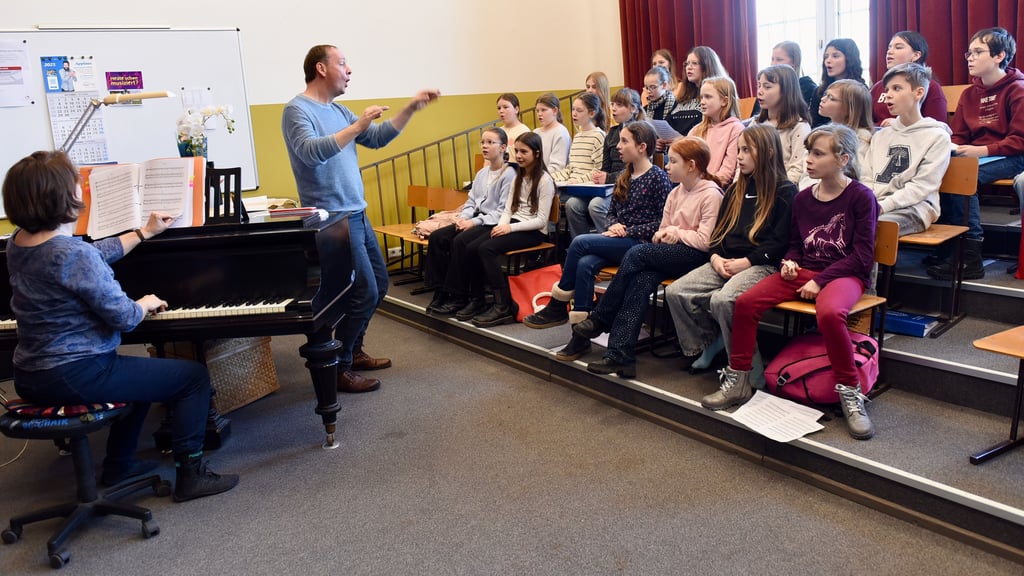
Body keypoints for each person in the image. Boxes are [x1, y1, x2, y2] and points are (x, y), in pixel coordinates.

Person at [3, 150, 238, 501]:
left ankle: (119, 465)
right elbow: (124, 317)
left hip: (31, 374)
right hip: (77, 373)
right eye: (75, 184)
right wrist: (143, 303)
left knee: (140, 378)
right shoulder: (73, 255)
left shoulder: (18, 243)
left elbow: (87, 256)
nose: (81, 190)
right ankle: (191, 474)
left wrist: (143, 232)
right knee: (192, 379)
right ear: (62, 196)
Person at [705, 124, 880, 440]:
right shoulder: (802, 199)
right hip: (805, 271)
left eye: (817, 153)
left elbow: (862, 257)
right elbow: (797, 245)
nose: (808, 160)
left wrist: (821, 280)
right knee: (744, 303)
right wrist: (790, 262)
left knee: (829, 313)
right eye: (808, 152)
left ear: (843, 159)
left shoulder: (860, 197)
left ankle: (850, 392)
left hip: (844, 275)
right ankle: (740, 380)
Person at [281, 44, 439, 392]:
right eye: (342, 63)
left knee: (379, 286)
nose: (349, 70)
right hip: (331, 219)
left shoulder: (339, 110)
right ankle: (339, 366)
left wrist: (410, 108)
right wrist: (358, 125)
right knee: (363, 291)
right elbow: (310, 153)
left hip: (357, 212)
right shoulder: (296, 111)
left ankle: (354, 349)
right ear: (321, 69)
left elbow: (378, 138)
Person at [568, 137, 724, 378]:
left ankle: (602, 316)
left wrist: (676, 233)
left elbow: (706, 242)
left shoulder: (712, 194)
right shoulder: (676, 193)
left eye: (673, 161)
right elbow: (661, 229)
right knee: (640, 281)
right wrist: (665, 233)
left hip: (695, 257)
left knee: (636, 253)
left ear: (691, 165)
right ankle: (621, 355)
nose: (667, 166)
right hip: (670, 254)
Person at [522, 122, 671, 346]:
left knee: (580, 243)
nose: (618, 146)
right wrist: (613, 225)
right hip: (620, 238)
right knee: (585, 264)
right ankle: (579, 337)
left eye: (624, 141)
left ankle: (557, 304)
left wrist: (627, 230)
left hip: (641, 244)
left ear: (641, 147)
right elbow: (612, 212)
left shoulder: (657, 177)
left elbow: (663, 221)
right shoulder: (624, 175)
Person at [665, 124, 796, 377]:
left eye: (747, 150)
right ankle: (710, 342)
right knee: (676, 292)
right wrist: (714, 258)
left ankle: (745, 364)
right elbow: (717, 234)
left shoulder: (785, 191)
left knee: (723, 300)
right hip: (725, 260)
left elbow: (779, 243)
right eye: (738, 150)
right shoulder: (736, 189)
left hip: (761, 265)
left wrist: (746, 262)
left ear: (768, 152)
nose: (739, 156)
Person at [928, 27, 1024, 281]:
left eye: (978, 52)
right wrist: (954, 147)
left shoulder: (1018, 90)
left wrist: (981, 150)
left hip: (1012, 155)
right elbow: (958, 135)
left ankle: (970, 256)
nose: (970, 58)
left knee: (963, 175)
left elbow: (1019, 140)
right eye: (969, 52)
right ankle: (951, 247)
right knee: (942, 168)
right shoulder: (970, 93)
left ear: (999, 56)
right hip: (977, 155)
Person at [424, 127, 515, 316]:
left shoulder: (509, 175)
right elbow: (471, 201)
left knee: (461, 241)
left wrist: (473, 223)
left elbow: (501, 211)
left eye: (491, 142)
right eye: (483, 142)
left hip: (490, 222)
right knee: (437, 237)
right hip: (473, 219)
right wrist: (464, 218)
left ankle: (460, 296)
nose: (485, 146)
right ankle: (441, 291)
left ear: (503, 147)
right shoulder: (482, 173)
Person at [468, 132, 555, 327]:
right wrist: (500, 226)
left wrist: (509, 228)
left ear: (537, 153)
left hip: (533, 232)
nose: (519, 156)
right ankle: (478, 298)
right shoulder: (518, 176)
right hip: (514, 224)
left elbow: (541, 221)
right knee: (474, 246)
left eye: (524, 152)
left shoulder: (544, 181)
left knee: (486, 249)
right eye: (517, 151)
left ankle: (503, 305)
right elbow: (508, 209)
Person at [864, 62, 951, 236]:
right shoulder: (880, 136)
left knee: (869, 226)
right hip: (876, 204)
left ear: (919, 92)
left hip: (915, 208)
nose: (888, 95)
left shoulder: (937, 137)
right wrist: (868, 203)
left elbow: (921, 187)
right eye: (887, 89)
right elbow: (866, 176)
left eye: (896, 89)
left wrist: (881, 206)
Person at [551, 92, 608, 238]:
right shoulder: (577, 136)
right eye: (573, 109)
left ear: (592, 113)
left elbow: (598, 169)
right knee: (571, 204)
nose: (574, 114)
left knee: (571, 203)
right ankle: (580, 241)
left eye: (579, 110)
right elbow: (571, 168)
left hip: (589, 188)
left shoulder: (599, 136)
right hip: (574, 188)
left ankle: (596, 240)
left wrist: (579, 181)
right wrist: (551, 177)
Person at [870, 31, 948, 126]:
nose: (889, 52)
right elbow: (866, 120)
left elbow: (937, 126)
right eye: (889, 47)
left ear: (916, 55)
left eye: (898, 47)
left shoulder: (930, 86)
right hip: (879, 137)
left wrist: (899, 124)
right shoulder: (878, 87)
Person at [753, 65, 812, 184]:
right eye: (759, 85)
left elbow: (797, 170)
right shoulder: (756, 123)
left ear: (786, 91)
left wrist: (770, 189)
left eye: (767, 86)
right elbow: (742, 163)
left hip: (780, 190)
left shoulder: (799, 127)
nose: (759, 91)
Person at [688, 76, 744, 184]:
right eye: (702, 97)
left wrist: (705, 186)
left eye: (708, 97)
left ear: (724, 101)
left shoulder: (735, 129)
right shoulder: (696, 130)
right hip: (692, 186)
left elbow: (727, 171)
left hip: (715, 188)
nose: (702, 102)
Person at [592, 88, 645, 186]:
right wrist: (599, 176)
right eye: (612, 104)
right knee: (574, 202)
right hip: (611, 185)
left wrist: (608, 178)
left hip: (631, 185)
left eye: (619, 105)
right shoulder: (612, 133)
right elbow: (606, 167)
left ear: (633, 109)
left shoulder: (641, 132)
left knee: (597, 202)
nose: (613, 108)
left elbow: (637, 170)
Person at [809, 38, 866, 128]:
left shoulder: (860, 90)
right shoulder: (819, 91)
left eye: (835, 56)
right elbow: (813, 123)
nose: (828, 60)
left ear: (849, 59)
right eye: (826, 56)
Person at [533, 92, 571, 173]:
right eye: (537, 111)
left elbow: (557, 166)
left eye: (543, 110)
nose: (539, 114)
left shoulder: (561, 132)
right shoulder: (536, 132)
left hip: (553, 180)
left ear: (555, 110)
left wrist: (537, 175)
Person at [771, 41, 817, 107]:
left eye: (779, 60)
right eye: (772, 59)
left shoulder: (807, 88)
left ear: (794, 62)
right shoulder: (771, 86)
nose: (773, 64)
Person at [496, 93, 529, 162]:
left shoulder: (524, 131)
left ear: (516, 109)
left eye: (505, 107)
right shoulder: (498, 132)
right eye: (499, 108)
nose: (501, 111)